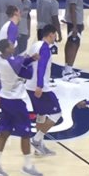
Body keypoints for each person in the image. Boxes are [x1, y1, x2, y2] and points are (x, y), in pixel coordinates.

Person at [0, 40, 42, 176]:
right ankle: (28, 166)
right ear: (7, 50)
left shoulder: (0, 60)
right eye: (11, 45)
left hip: (4, 98)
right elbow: (28, 74)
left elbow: (20, 60)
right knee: (25, 134)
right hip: (16, 101)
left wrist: (29, 58)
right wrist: (31, 62)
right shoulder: (13, 64)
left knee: (4, 132)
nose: (14, 46)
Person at [27, 23, 62, 155]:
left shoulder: (35, 45)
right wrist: (40, 85)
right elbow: (41, 67)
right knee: (56, 113)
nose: (55, 37)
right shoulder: (45, 48)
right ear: (51, 34)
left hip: (29, 85)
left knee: (41, 115)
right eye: (55, 35)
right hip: (40, 87)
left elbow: (27, 61)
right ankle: (36, 139)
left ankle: (39, 146)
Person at [64, 0, 87, 68]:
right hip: (74, 22)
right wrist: (74, 26)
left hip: (77, 21)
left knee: (74, 43)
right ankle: (68, 69)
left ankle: (68, 67)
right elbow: (72, 8)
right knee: (73, 44)